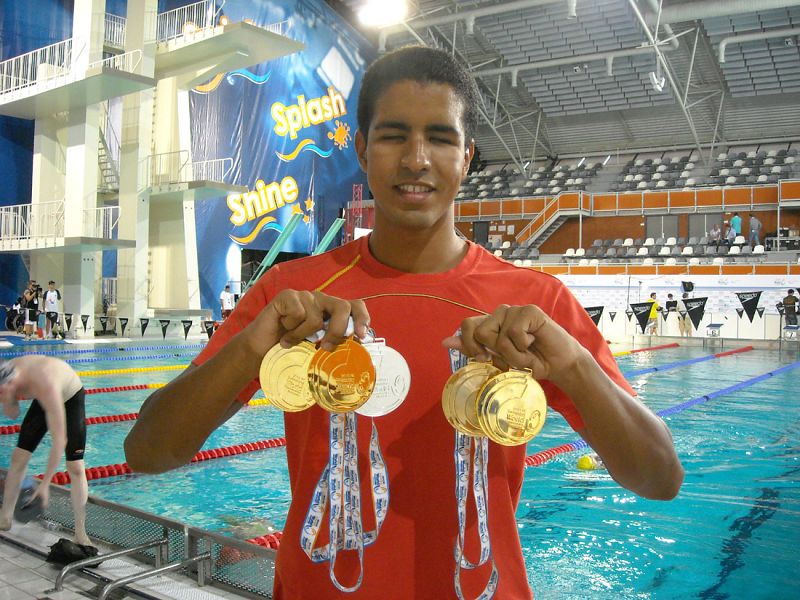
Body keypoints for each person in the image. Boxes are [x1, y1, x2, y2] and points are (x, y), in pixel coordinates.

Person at [124, 46, 683, 599]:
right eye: (394, 136)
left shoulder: (535, 304)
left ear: (467, 155)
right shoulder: (290, 297)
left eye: (440, 138)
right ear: (362, 150)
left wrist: (575, 366)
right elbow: (148, 451)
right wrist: (253, 346)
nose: (417, 159)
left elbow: (659, 477)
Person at [0, 357, 92, 547]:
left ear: (12, 384)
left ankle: (81, 533)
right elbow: (12, 412)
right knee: (19, 456)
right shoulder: (9, 372)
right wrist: (9, 401)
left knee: (75, 466)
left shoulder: (45, 384)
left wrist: (45, 484)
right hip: (43, 396)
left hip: (70, 397)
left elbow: (59, 441)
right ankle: (5, 517)